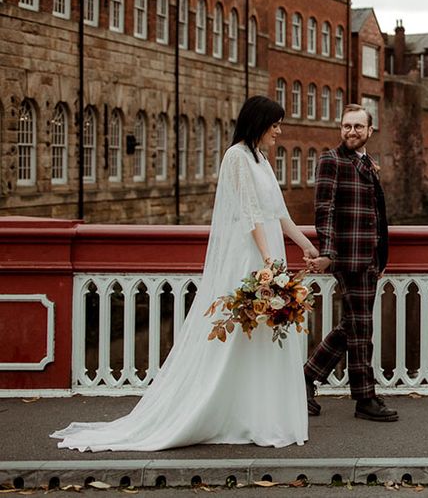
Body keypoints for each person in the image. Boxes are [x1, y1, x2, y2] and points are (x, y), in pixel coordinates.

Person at [52, 96, 319, 451]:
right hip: (251, 259)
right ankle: (232, 414)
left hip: (270, 255)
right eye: (275, 126)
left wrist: (305, 245)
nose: (279, 132)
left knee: (266, 338)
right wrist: (269, 262)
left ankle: (264, 415)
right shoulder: (237, 157)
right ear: (259, 124)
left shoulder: (263, 160)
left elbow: (279, 214)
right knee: (242, 334)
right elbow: (251, 215)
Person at [303, 104, 398, 422]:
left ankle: (306, 377)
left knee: (353, 325)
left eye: (358, 126)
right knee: (361, 328)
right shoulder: (332, 160)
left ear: (370, 131)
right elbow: (324, 210)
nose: (352, 132)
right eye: (347, 126)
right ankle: (364, 398)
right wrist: (327, 253)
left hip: (369, 257)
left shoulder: (368, 163)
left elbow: (377, 215)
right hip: (348, 256)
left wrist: (381, 257)